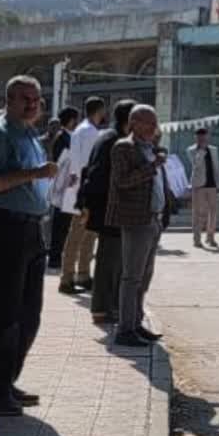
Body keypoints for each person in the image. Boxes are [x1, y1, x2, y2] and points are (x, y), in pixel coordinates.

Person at [0, 75, 59, 416]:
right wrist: (32, 175)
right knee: (5, 314)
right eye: (25, 98)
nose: (32, 104)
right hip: (5, 228)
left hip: (32, 228)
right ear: (9, 99)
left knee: (29, 316)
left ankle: (6, 380)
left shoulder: (28, 134)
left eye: (36, 99)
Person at [106, 105, 170, 347]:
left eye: (155, 123)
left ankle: (136, 322)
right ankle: (125, 330)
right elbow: (122, 181)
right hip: (135, 220)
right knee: (132, 277)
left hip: (153, 218)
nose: (154, 128)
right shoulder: (123, 147)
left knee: (145, 276)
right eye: (149, 123)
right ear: (134, 123)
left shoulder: (150, 148)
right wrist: (151, 167)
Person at [81, 99, 136, 325]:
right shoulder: (114, 141)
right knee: (109, 261)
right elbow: (99, 177)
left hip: (108, 208)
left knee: (114, 260)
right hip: (110, 209)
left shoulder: (110, 137)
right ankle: (103, 309)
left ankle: (109, 306)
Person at [60, 96, 107, 294]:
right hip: (86, 190)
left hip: (80, 189)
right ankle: (69, 277)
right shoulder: (92, 133)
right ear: (100, 111)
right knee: (80, 235)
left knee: (86, 235)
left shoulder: (81, 130)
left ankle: (82, 274)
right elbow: (90, 164)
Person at [46, 106, 79, 272]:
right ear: (71, 120)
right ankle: (54, 258)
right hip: (62, 184)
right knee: (60, 224)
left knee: (65, 224)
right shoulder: (62, 138)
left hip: (68, 185)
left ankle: (58, 257)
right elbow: (61, 161)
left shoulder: (69, 136)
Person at [186, 127, 219, 248]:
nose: (202, 138)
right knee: (197, 212)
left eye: (204, 136)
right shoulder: (191, 150)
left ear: (207, 136)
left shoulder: (214, 150)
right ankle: (197, 239)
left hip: (212, 185)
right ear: (196, 137)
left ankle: (210, 237)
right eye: (199, 136)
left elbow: (217, 168)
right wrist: (201, 150)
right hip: (198, 185)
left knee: (213, 212)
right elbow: (196, 164)